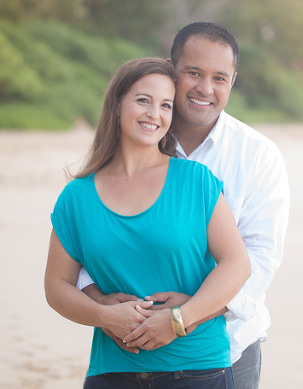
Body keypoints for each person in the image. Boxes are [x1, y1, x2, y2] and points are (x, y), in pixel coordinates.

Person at [78, 22, 290, 389]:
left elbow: (260, 259)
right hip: (127, 352)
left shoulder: (257, 156)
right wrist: (103, 308)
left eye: (219, 78)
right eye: (194, 73)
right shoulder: (135, 138)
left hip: (229, 349)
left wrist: (184, 316)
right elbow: (91, 235)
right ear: (170, 68)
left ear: (233, 81)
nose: (205, 89)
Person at [44, 57, 251, 388]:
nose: (155, 114)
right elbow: (56, 286)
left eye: (166, 105)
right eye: (143, 100)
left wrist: (178, 321)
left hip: (197, 369)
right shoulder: (76, 197)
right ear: (116, 105)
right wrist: (104, 315)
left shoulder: (195, 180)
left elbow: (237, 264)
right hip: (112, 371)